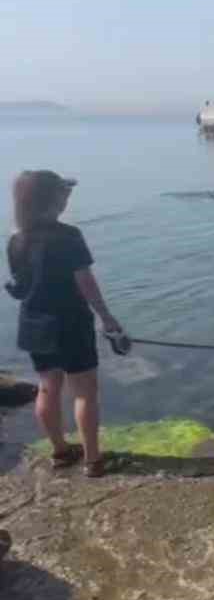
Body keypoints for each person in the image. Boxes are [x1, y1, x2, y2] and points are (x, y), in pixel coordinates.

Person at [5, 170, 124, 477]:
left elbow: (20, 287)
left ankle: (60, 452)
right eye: (62, 195)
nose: (66, 200)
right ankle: (93, 460)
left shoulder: (16, 241)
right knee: (84, 391)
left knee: (47, 388)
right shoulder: (69, 236)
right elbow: (85, 281)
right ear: (49, 199)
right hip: (70, 324)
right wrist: (107, 318)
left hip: (34, 324)